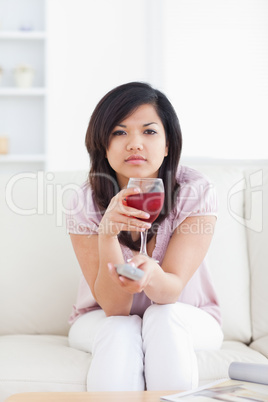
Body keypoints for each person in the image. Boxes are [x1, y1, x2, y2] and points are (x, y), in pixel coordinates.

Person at [66, 82, 223, 392]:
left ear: (167, 145)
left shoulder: (195, 191)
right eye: (119, 132)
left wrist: (152, 277)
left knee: (162, 317)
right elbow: (114, 307)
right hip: (101, 317)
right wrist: (107, 233)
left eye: (149, 132)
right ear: (103, 145)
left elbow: (170, 292)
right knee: (119, 329)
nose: (135, 143)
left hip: (185, 314)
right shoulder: (84, 202)